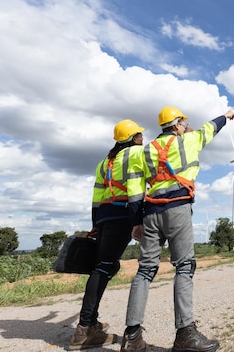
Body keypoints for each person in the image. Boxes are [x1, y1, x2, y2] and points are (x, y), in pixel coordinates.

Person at [121, 106, 234, 352]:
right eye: (183, 122)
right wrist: (225, 117)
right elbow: (209, 129)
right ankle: (185, 334)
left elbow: (133, 189)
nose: (186, 125)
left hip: (150, 214)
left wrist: (136, 222)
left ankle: (131, 337)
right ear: (176, 125)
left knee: (145, 271)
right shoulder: (189, 141)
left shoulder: (144, 151)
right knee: (184, 266)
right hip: (178, 209)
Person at [69, 119, 146, 350]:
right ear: (134, 138)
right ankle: (83, 330)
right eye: (140, 135)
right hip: (124, 213)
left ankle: (90, 323)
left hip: (104, 215)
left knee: (104, 267)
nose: (143, 138)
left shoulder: (105, 162)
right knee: (103, 267)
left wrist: (96, 223)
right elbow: (135, 187)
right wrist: (137, 220)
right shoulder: (135, 153)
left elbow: (96, 196)